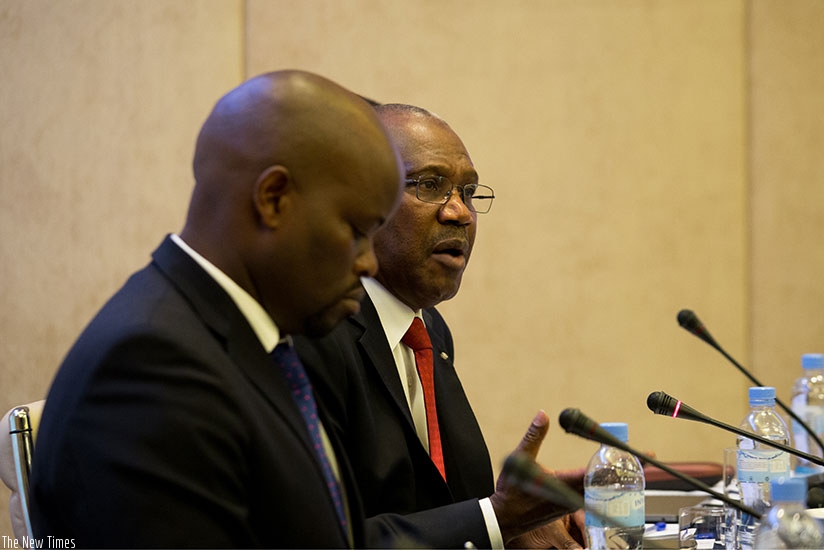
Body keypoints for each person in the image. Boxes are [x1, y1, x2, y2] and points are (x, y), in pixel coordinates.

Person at [29, 70, 406, 548]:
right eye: (356, 230)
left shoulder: (255, 345)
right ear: (273, 199)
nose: (370, 263)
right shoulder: (153, 369)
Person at [295, 104, 586, 549]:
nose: (460, 213)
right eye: (430, 185)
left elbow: (446, 505)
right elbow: (322, 539)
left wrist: (520, 523)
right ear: (364, 200)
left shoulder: (429, 330)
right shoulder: (315, 334)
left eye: (468, 192)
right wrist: (497, 520)